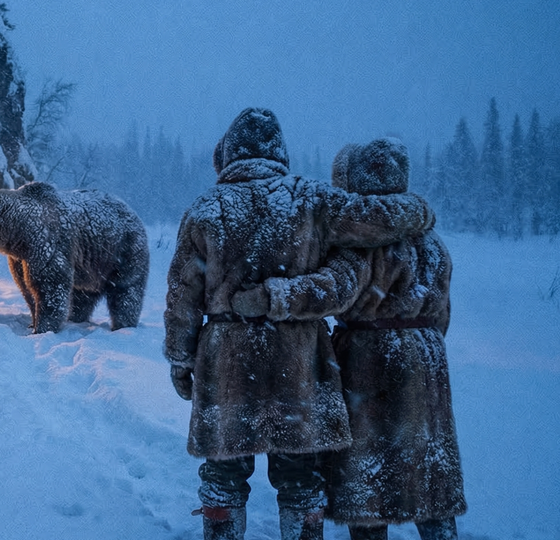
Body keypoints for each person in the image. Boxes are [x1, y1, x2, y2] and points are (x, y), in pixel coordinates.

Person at [163, 108, 436, 540]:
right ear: (280, 151)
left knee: (223, 471)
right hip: (298, 360)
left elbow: (182, 297)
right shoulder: (310, 200)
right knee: (300, 475)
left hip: (226, 361)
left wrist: (181, 359)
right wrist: (417, 211)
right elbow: (375, 220)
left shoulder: (205, 210)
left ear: (230, 152)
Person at [231, 138, 467, 540]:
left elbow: (330, 289)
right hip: (428, 360)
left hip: (371, 361)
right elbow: (442, 312)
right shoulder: (431, 242)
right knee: (427, 467)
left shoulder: (363, 241)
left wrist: (272, 297)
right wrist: (418, 338)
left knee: (368, 479)